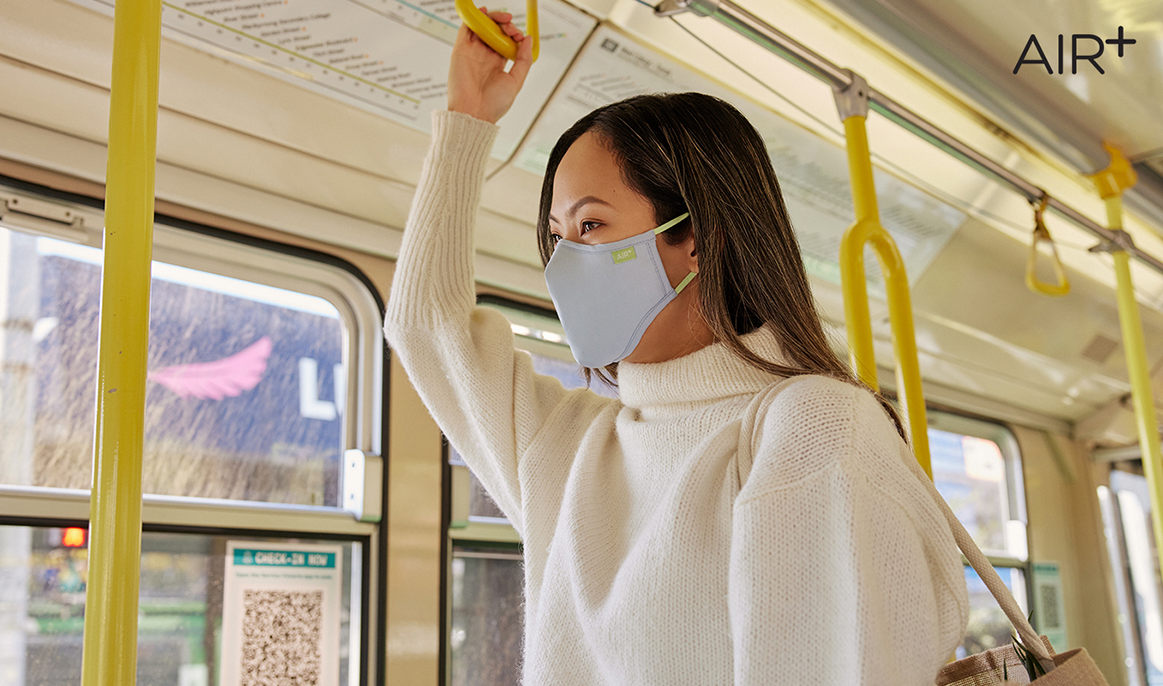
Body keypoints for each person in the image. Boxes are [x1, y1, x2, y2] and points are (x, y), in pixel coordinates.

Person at [384, 10, 968, 685]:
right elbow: (427, 327)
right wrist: (468, 117)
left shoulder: (810, 429)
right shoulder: (571, 448)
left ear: (694, 237)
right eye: (557, 236)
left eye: (592, 225)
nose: (564, 263)